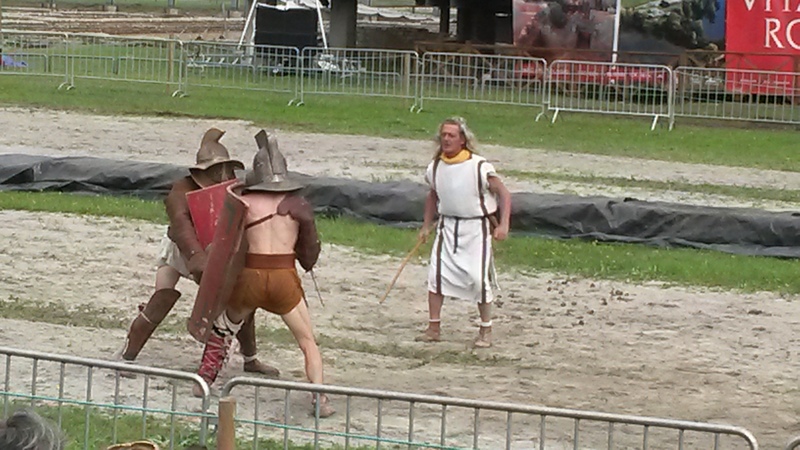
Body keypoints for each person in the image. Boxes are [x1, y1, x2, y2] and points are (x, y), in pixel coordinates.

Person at [191, 131, 334, 418]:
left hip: (250, 278)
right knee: (307, 341)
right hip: (283, 279)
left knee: (224, 328)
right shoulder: (298, 206)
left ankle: (203, 381)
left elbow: (227, 242)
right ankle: (319, 399)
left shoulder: (244, 203)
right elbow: (309, 251)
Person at [118, 127, 279, 378]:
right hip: (180, 249)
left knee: (238, 298)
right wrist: (196, 257)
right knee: (162, 296)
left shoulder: (233, 188)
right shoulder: (181, 190)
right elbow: (181, 226)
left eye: (223, 168)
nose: (221, 174)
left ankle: (250, 359)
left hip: (214, 248)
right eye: (216, 169)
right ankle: (127, 357)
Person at [416, 117, 512, 348]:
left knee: (478, 280)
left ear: (462, 139)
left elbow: (504, 194)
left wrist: (503, 225)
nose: (446, 139)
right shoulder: (435, 167)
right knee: (436, 277)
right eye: (443, 135)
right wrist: (426, 225)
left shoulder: (479, 166)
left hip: (476, 229)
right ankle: (433, 327)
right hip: (447, 228)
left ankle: (485, 329)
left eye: (451, 135)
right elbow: (433, 196)